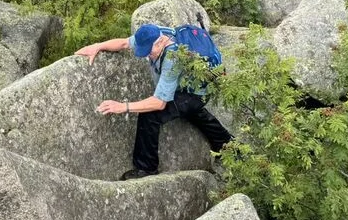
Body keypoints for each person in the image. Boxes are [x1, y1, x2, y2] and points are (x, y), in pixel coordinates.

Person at [76, 22, 233, 180]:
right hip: (189, 83)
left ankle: (146, 168)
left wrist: (122, 107)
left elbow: (159, 103)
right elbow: (124, 42)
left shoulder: (173, 59)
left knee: (151, 115)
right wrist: (97, 46)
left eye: (148, 52)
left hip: (196, 94)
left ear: (160, 42)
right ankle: (228, 146)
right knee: (193, 112)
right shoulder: (155, 33)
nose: (146, 55)